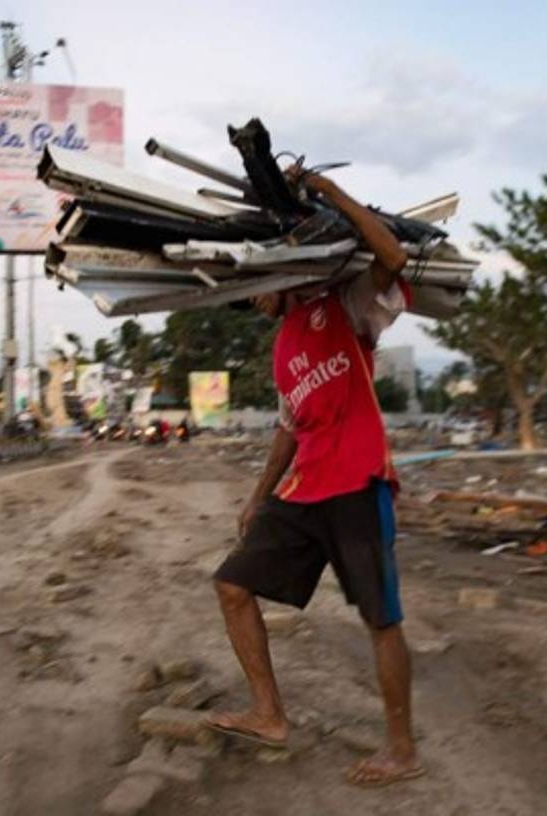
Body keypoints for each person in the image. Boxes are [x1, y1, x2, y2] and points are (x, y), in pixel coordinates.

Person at [206, 169, 423, 787]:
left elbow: (392, 257)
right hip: (304, 489)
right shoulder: (282, 349)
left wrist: (328, 192)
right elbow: (288, 427)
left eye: (257, 284)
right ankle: (269, 715)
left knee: (380, 618)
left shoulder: (345, 305)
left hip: (358, 482)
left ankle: (402, 750)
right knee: (232, 586)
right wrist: (258, 497)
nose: (254, 297)